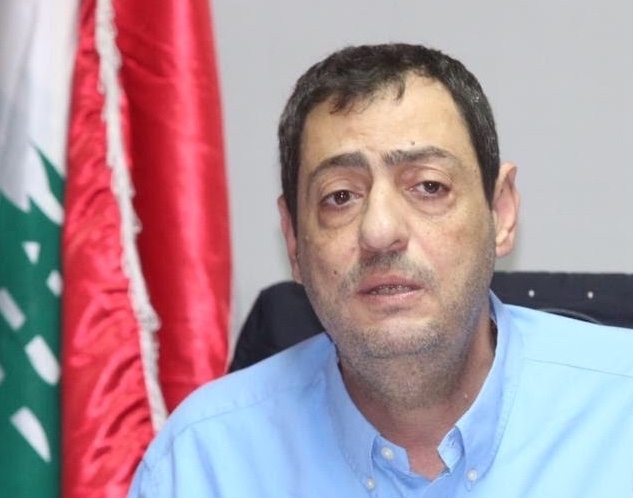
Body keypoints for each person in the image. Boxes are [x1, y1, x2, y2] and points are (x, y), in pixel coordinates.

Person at [128, 43, 633, 497]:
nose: (380, 230)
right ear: (294, 240)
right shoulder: (201, 463)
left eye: (429, 186)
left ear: (499, 213)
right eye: (340, 196)